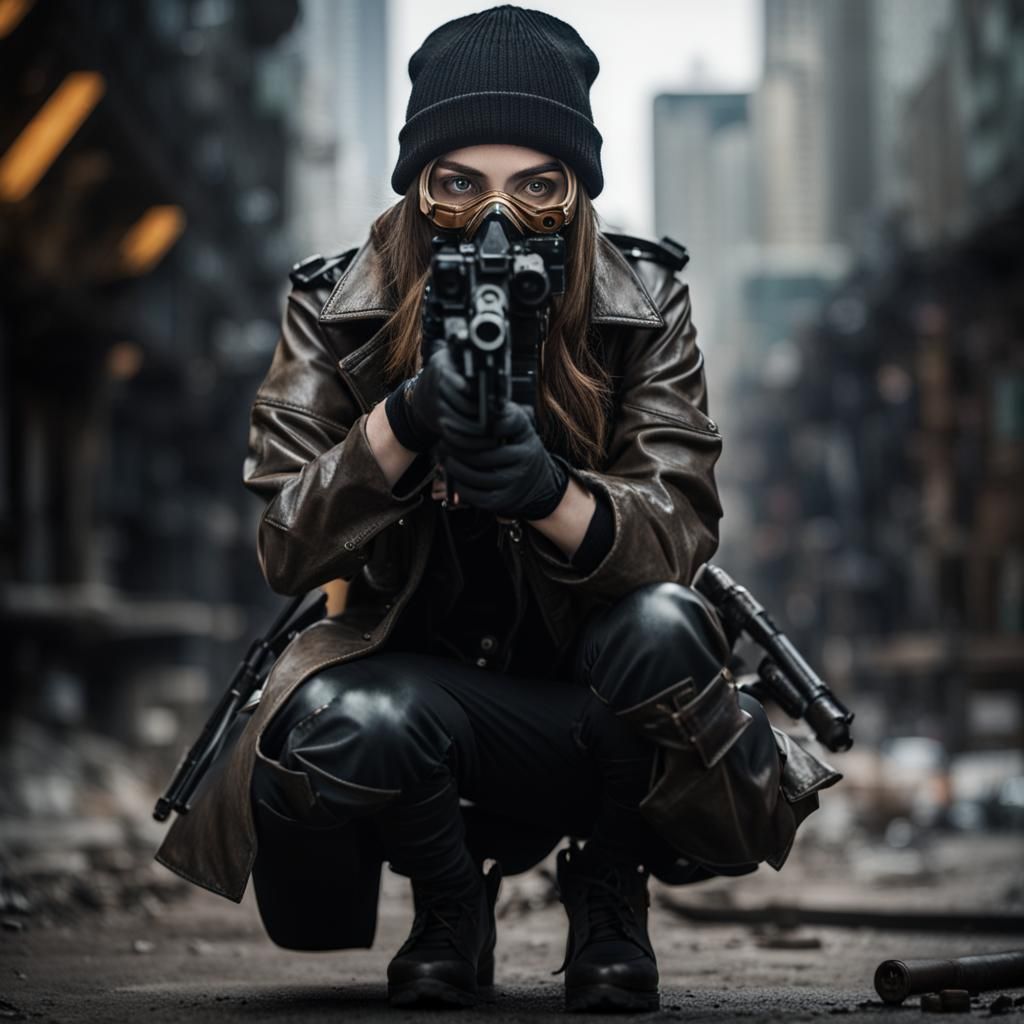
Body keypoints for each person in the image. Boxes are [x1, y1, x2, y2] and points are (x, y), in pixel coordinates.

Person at [154, 4, 840, 1013]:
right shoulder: (336, 301)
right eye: (457, 183)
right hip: (423, 703)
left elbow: (681, 523)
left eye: (537, 187)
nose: (494, 220)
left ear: (576, 190)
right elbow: (285, 540)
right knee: (341, 716)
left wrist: (547, 493)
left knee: (665, 626)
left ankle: (610, 886)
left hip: (596, 706)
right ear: (417, 184)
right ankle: (446, 903)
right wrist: (401, 423)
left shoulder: (643, 299)